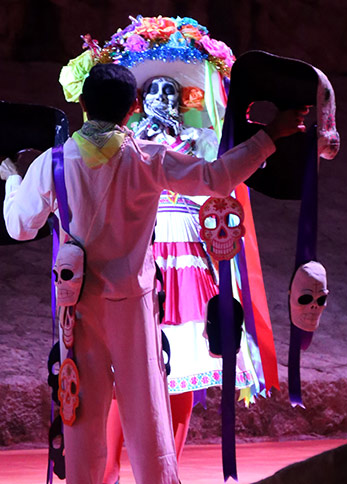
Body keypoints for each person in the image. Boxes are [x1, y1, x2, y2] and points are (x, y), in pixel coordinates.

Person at [3, 63, 306, 484]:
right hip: (134, 300)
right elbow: (216, 179)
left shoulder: (53, 164)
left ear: (84, 105)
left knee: (82, 408)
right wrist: (270, 135)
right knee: (147, 406)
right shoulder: (147, 157)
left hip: (80, 305)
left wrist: (11, 181)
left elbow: (20, 227)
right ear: (133, 109)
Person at [101, 75, 264, 484]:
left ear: (182, 100)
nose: (161, 98)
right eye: (153, 91)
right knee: (126, 371)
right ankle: (107, 469)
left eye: (170, 92)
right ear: (139, 100)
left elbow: (224, 182)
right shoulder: (129, 143)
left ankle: (167, 469)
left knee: (185, 366)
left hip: (190, 252)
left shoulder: (199, 140)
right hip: (145, 249)